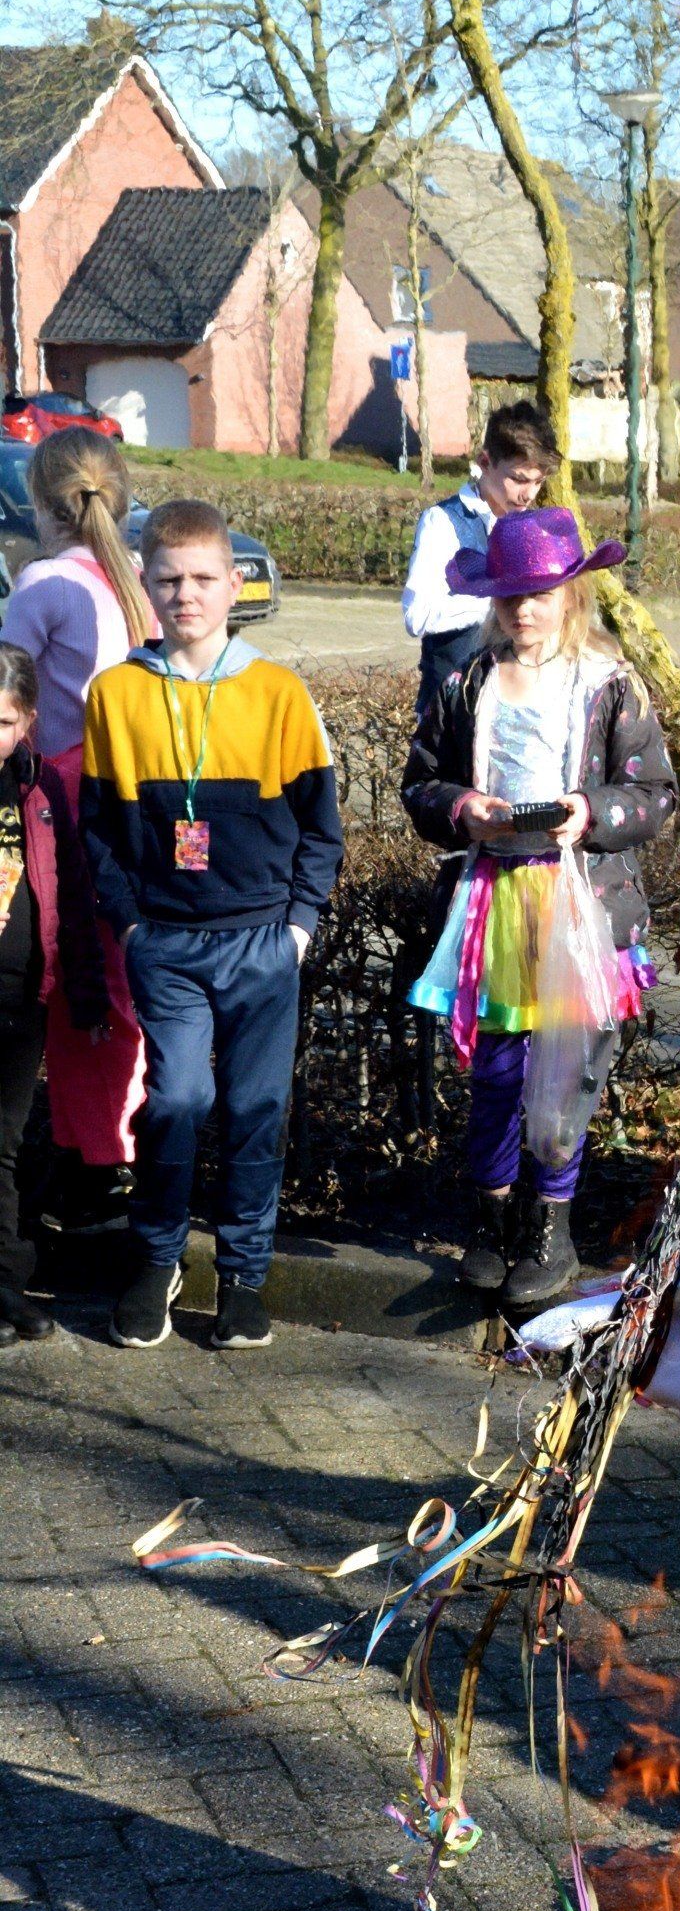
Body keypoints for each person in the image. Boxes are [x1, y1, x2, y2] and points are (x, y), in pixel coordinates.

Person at [81, 500, 344, 1353]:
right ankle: (156, 1260)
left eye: (202, 578)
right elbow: (98, 832)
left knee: (256, 1107)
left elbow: (321, 829)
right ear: (145, 584)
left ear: (236, 584)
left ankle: (244, 1276)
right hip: (165, 943)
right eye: (168, 579)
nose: (185, 594)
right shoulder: (116, 694)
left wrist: (298, 928)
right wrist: (129, 926)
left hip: (262, 940)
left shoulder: (278, 694)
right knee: (177, 1100)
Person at [403, 506, 675, 1314]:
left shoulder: (609, 685)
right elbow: (420, 784)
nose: (526, 609)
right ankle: (493, 1223)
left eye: (543, 593)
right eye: (512, 595)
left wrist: (591, 812)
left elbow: (655, 793)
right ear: (494, 599)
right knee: (497, 1076)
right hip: (496, 905)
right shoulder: (467, 683)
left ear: (571, 595)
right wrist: (465, 809)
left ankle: (550, 1230)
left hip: (581, 904)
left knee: (565, 1074)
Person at [0, 427, 154, 1234]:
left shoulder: (44, 582)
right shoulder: (134, 580)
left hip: (58, 802)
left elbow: (9, 689)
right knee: (114, 983)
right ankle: (110, 1154)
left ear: (40, 502)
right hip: (126, 796)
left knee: (65, 983)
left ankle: (90, 1165)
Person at [0, 642, 110, 1345]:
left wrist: (87, 991)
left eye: (4, 722)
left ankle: (4, 1283)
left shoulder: (40, 792)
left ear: (29, 722)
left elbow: (72, 894)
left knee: (4, 1144)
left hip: (18, 996)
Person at [401, 401, 560, 718]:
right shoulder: (442, 522)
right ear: (485, 462)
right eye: (518, 479)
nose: (529, 494)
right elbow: (417, 616)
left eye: (538, 482)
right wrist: (495, 600)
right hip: (449, 712)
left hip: (513, 707)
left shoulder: (534, 528)